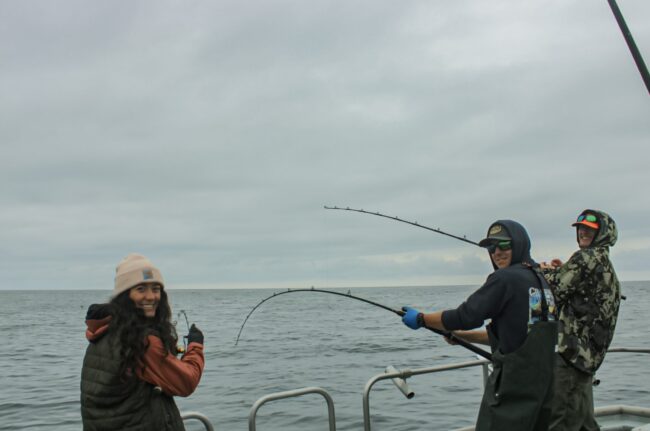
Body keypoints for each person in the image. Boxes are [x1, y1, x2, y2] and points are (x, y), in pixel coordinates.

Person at [401, 220, 557, 431]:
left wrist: (421, 319)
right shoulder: (540, 279)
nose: (497, 252)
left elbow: (465, 316)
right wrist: (463, 337)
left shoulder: (505, 278)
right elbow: (519, 336)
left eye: (504, 245)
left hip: (513, 389)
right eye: (491, 247)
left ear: (519, 244)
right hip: (544, 387)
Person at [80, 253, 205, 431]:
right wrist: (195, 346)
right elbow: (186, 382)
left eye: (155, 289)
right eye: (140, 289)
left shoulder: (104, 331)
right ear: (125, 295)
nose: (151, 296)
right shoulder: (141, 341)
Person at [541, 210, 621, 431]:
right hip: (587, 360)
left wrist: (543, 272)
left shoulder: (585, 258)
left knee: (560, 423)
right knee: (585, 424)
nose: (583, 232)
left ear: (603, 233)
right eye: (580, 228)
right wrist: (563, 270)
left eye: (589, 229)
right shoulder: (604, 262)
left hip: (571, 357)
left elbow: (554, 292)